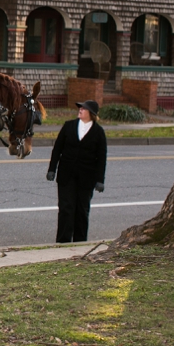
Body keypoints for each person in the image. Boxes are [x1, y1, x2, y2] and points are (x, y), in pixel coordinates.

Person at [47, 100, 107, 243]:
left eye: (84, 108)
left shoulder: (98, 132)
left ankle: (80, 241)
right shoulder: (69, 126)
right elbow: (57, 149)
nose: (80, 110)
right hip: (66, 175)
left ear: (91, 114)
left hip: (86, 178)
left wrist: (100, 180)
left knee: (82, 210)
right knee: (66, 208)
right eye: (80, 108)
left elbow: (101, 158)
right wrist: (52, 169)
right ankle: (63, 240)